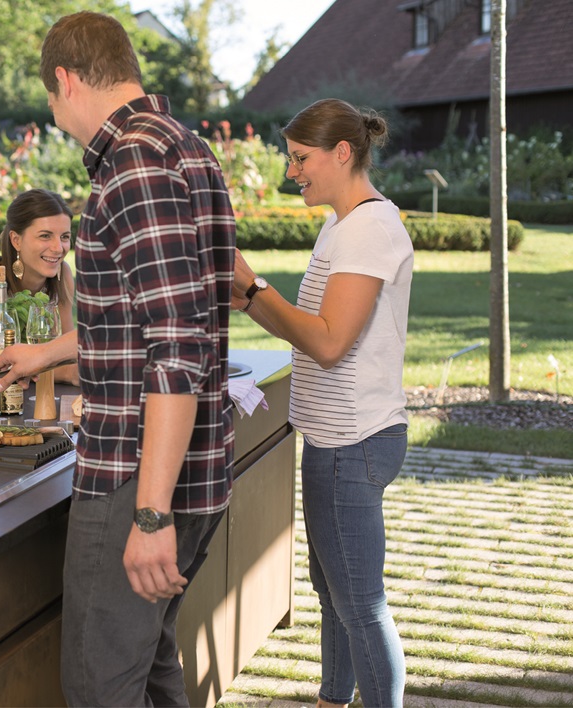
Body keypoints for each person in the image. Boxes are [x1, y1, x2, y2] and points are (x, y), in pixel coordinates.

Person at [0, 11, 236, 706]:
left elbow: (175, 345)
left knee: (100, 688)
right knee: (152, 670)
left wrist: (150, 515)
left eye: (49, 97)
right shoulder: (185, 147)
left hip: (138, 478)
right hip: (190, 467)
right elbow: (144, 316)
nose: (54, 111)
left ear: (65, 81)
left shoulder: (131, 165)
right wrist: (43, 352)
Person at [232, 98, 412, 708]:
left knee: (360, 601)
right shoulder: (343, 224)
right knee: (334, 590)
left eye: (300, 158)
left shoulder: (369, 227)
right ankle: (332, 700)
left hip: (353, 441)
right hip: (335, 438)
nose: (292, 172)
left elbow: (330, 343)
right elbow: (315, 325)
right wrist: (251, 300)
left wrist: (256, 286)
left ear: (343, 152)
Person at [0, 189, 78, 384]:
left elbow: (68, 353)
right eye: (45, 236)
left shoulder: (63, 275)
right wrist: (67, 373)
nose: (58, 248)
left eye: (64, 237)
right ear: (16, 240)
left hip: (35, 395)